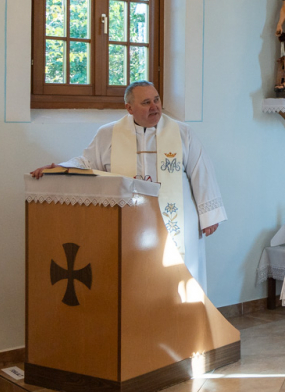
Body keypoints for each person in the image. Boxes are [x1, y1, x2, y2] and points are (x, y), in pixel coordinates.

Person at [30, 81, 226, 291]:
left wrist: (209, 215)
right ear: (129, 108)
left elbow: (201, 171)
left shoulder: (182, 132)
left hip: (176, 221)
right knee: (133, 280)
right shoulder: (109, 134)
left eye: (156, 99)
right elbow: (87, 163)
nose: (155, 106)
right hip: (129, 221)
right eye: (146, 102)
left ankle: (183, 313)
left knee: (178, 282)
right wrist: (60, 168)